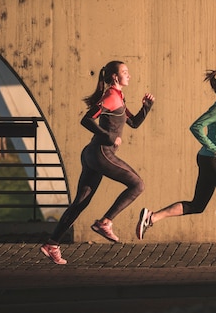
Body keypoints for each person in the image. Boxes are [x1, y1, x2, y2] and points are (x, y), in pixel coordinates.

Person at [40, 60, 155, 264]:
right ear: (114, 77)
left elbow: (134, 123)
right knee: (138, 185)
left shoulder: (119, 97)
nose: (129, 75)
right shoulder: (111, 96)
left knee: (80, 203)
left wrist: (146, 108)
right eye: (125, 72)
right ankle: (105, 222)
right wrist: (108, 138)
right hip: (101, 153)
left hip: (93, 154)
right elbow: (86, 119)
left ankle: (52, 244)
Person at [136, 70, 216, 264]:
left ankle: (151, 217)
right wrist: (213, 147)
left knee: (198, 205)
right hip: (212, 159)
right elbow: (196, 126)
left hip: (209, 158)